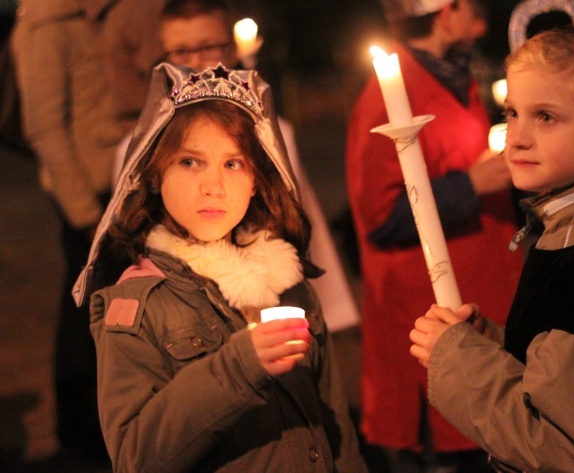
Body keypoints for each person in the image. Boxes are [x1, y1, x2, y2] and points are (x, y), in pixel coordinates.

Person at [72, 62, 368, 472]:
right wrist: (239, 366)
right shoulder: (137, 306)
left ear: (256, 180)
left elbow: (336, 426)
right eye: (190, 162)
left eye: (233, 164)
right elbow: (135, 455)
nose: (214, 186)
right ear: (155, 171)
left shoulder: (288, 285)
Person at [410, 26, 574, 472]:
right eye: (513, 112)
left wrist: (460, 361)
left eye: (545, 117)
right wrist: (493, 349)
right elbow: (573, 376)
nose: (515, 137)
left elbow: (572, 449)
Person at [345, 0, 524, 470]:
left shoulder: (455, 76)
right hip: (432, 317)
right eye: (472, 5)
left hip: (481, 307)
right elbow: (380, 216)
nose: (483, 17)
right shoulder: (388, 91)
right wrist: (470, 184)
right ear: (447, 12)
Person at [112, 0, 361, 333]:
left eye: (207, 48)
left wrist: (320, 309)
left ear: (230, 49)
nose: (195, 63)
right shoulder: (137, 149)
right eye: (180, 52)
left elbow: (299, 221)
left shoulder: (274, 134)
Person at [11, 0, 122, 462]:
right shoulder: (45, 27)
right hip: (86, 198)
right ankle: (79, 433)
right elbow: (44, 127)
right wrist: (85, 212)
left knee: (95, 308)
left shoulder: (79, 18)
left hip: (103, 190)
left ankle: (91, 425)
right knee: (82, 311)